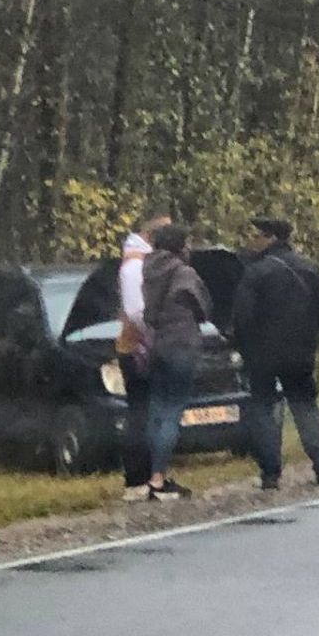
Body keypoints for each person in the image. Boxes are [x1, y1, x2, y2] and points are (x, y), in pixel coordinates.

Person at [232, 217, 319, 490]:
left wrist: (243, 347)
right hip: (300, 352)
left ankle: (270, 474)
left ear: (270, 238)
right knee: (305, 406)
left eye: (257, 235)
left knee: (264, 409)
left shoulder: (255, 273)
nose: (252, 240)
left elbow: (242, 318)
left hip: (263, 354)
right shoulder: (310, 269)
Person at [141, 223, 214, 501]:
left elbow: (149, 312)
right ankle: (158, 478)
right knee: (173, 411)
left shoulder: (149, 271)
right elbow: (203, 308)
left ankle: (152, 474)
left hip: (157, 344)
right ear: (179, 246)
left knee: (157, 409)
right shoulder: (184, 273)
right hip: (181, 346)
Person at [115, 210, 171, 502]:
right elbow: (137, 311)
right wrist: (154, 335)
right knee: (140, 413)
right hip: (137, 348)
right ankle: (136, 477)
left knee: (151, 412)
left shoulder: (144, 261)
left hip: (143, 346)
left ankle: (152, 475)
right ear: (151, 234)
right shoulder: (135, 265)